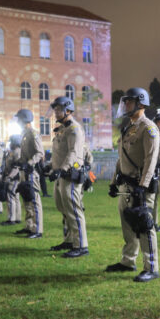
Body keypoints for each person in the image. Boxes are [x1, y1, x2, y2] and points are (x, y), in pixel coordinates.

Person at [105, 88, 160, 282]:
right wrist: (114, 182)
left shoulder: (148, 128)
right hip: (126, 185)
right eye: (126, 102)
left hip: (139, 187)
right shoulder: (128, 127)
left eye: (129, 102)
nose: (126, 105)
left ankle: (151, 267)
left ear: (141, 103)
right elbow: (121, 159)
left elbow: (151, 160)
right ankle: (128, 261)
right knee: (128, 226)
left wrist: (143, 186)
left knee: (145, 226)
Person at [48, 96, 89, 258]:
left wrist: (62, 169)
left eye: (59, 109)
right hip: (61, 174)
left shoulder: (74, 129)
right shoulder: (62, 129)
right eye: (55, 109)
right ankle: (70, 240)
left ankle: (81, 245)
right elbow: (60, 153)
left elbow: (74, 153)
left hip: (70, 174)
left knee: (73, 210)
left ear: (68, 110)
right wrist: (51, 166)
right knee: (64, 209)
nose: (56, 112)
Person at [13, 109, 45, 239]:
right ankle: (29, 226)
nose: (17, 122)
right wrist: (20, 162)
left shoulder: (33, 134)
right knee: (26, 199)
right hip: (25, 171)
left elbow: (40, 153)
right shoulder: (24, 134)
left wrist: (29, 163)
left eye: (19, 119)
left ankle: (37, 229)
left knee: (34, 200)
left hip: (32, 171)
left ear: (24, 119)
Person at [2, 134, 24, 226]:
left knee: (11, 197)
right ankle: (17, 218)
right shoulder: (13, 151)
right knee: (15, 197)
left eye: (11, 142)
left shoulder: (17, 152)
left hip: (14, 178)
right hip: (13, 177)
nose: (10, 144)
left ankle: (11, 219)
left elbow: (16, 167)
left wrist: (9, 177)